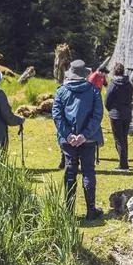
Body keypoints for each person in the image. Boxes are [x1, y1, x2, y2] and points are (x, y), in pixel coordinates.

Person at [52, 59, 105, 220]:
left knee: (70, 173)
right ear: (84, 74)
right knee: (88, 172)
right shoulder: (94, 91)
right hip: (88, 140)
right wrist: (85, 135)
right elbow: (97, 116)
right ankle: (91, 210)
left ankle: (69, 211)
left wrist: (68, 135)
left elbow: (57, 116)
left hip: (68, 141)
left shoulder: (61, 91)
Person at [103, 62, 133, 171]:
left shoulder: (113, 84)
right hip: (126, 113)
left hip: (116, 114)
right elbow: (130, 98)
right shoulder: (129, 84)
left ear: (114, 71)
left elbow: (106, 101)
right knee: (124, 138)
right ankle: (124, 161)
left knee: (119, 140)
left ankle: (123, 164)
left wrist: (111, 110)